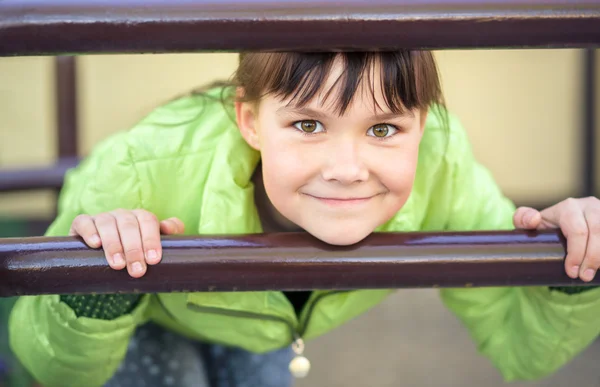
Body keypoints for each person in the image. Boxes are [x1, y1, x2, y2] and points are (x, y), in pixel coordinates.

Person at [8, 51, 600, 387]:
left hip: (253, 325)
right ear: (250, 121)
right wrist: (99, 285)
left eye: (385, 128)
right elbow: (52, 366)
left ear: (425, 124)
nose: (347, 168)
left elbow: (523, 349)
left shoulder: (441, 161)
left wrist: (577, 258)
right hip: (140, 323)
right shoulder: (141, 167)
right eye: (309, 125)